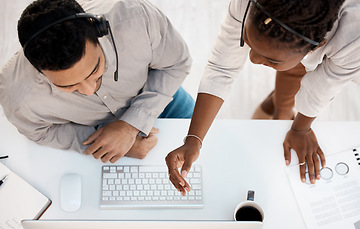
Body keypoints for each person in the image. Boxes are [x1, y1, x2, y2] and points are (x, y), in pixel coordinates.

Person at [165, 0, 360, 196]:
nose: (253, 59)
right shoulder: (247, 5)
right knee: (291, 70)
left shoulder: (353, 38)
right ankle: (280, 107)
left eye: (271, 60)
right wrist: (194, 140)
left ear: (316, 47)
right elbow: (221, 69)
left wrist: (301, 129)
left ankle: (280, 105)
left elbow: (322, 88)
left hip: (347, 53)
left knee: (301, 71)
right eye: (246, 40)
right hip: (296, 48)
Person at [0, 0, 194, 163]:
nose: (88, 89)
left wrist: (130, 126)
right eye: (68, 86)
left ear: (98, 30)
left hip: (159, 96)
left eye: (95, 70)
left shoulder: (136, 18)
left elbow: (176, 64)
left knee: (205, 151)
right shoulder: (17, 97)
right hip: (96, 127)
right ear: (38, 71)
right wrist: (101, 142)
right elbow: (40, 133)